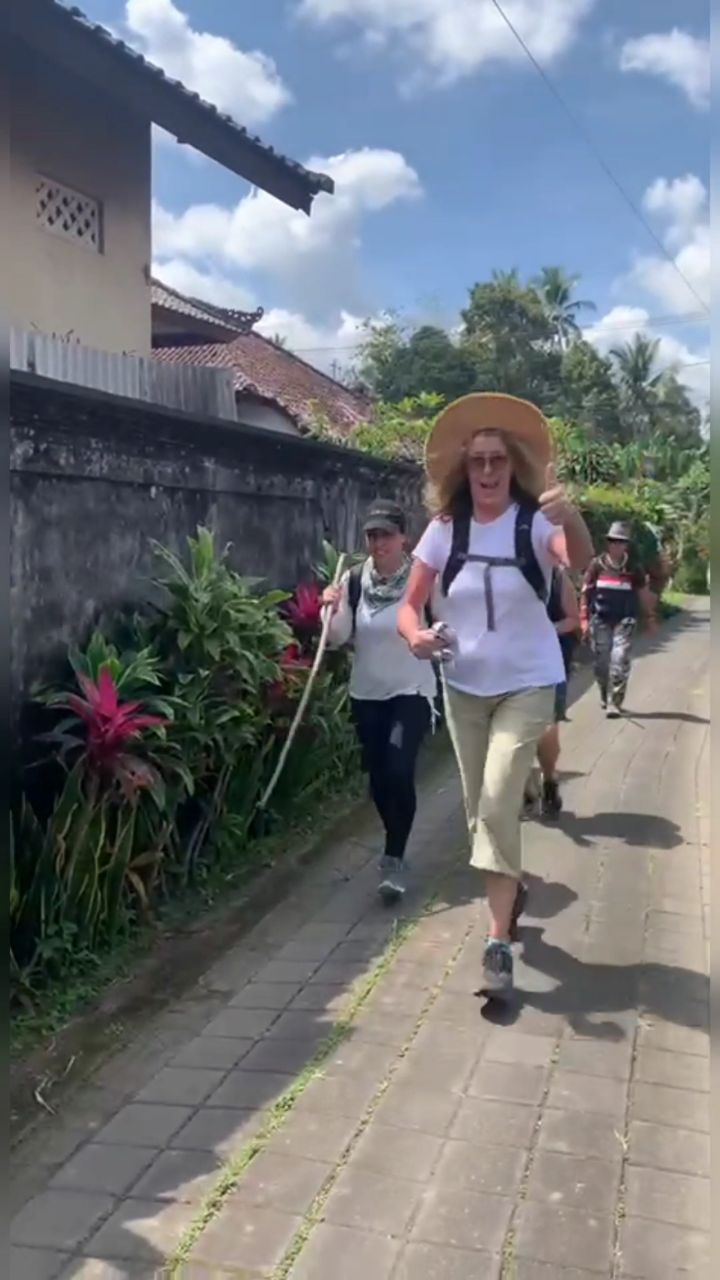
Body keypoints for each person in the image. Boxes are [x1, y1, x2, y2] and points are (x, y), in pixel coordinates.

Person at [397, 392, 593, 998]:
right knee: (479, 811)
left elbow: (579, 560)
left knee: (501, 796)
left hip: (528, 682)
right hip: (463, 687)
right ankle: (513, 892)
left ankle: (497, 943)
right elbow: (408, 605)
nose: (487, 471)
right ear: (464, 467)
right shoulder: (444, 530)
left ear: (514, 467)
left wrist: (571, 515)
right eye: (478, 460)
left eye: (498, 460)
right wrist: (416, 637)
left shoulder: (536, 523)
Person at [322, 500, 436, 902]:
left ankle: (394, 855)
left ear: (404, 537)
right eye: (372, 535)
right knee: (378, 780)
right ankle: (394, 836)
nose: (378, 543)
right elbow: (337, 637)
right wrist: (330, 608)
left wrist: (436, 639)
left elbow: (444, 622)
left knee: (399, 769)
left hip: (412, 691)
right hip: (367, 693)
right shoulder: (354, 579)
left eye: (386, 534)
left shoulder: (423, 578)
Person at [580, 521, 656, 717]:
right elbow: (586, 592)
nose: (616, 545)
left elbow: (643, 593)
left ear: (626, 545)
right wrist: (584, 619)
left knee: (619, 658)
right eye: (613, 541)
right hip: (600, 618)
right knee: (601, 662)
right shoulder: (597, 565)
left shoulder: (633, 568)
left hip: (625, 619)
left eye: (620, 542)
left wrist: (650, 617)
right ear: (608, 543)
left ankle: (615, 701)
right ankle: (604, 695)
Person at [525, 565, 581, 818]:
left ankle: (549, 779)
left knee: (546, 727)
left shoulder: (556, 576)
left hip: (547, 665)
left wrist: (546, 630)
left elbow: (573, 619)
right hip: (505, 667)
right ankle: (525, 785)